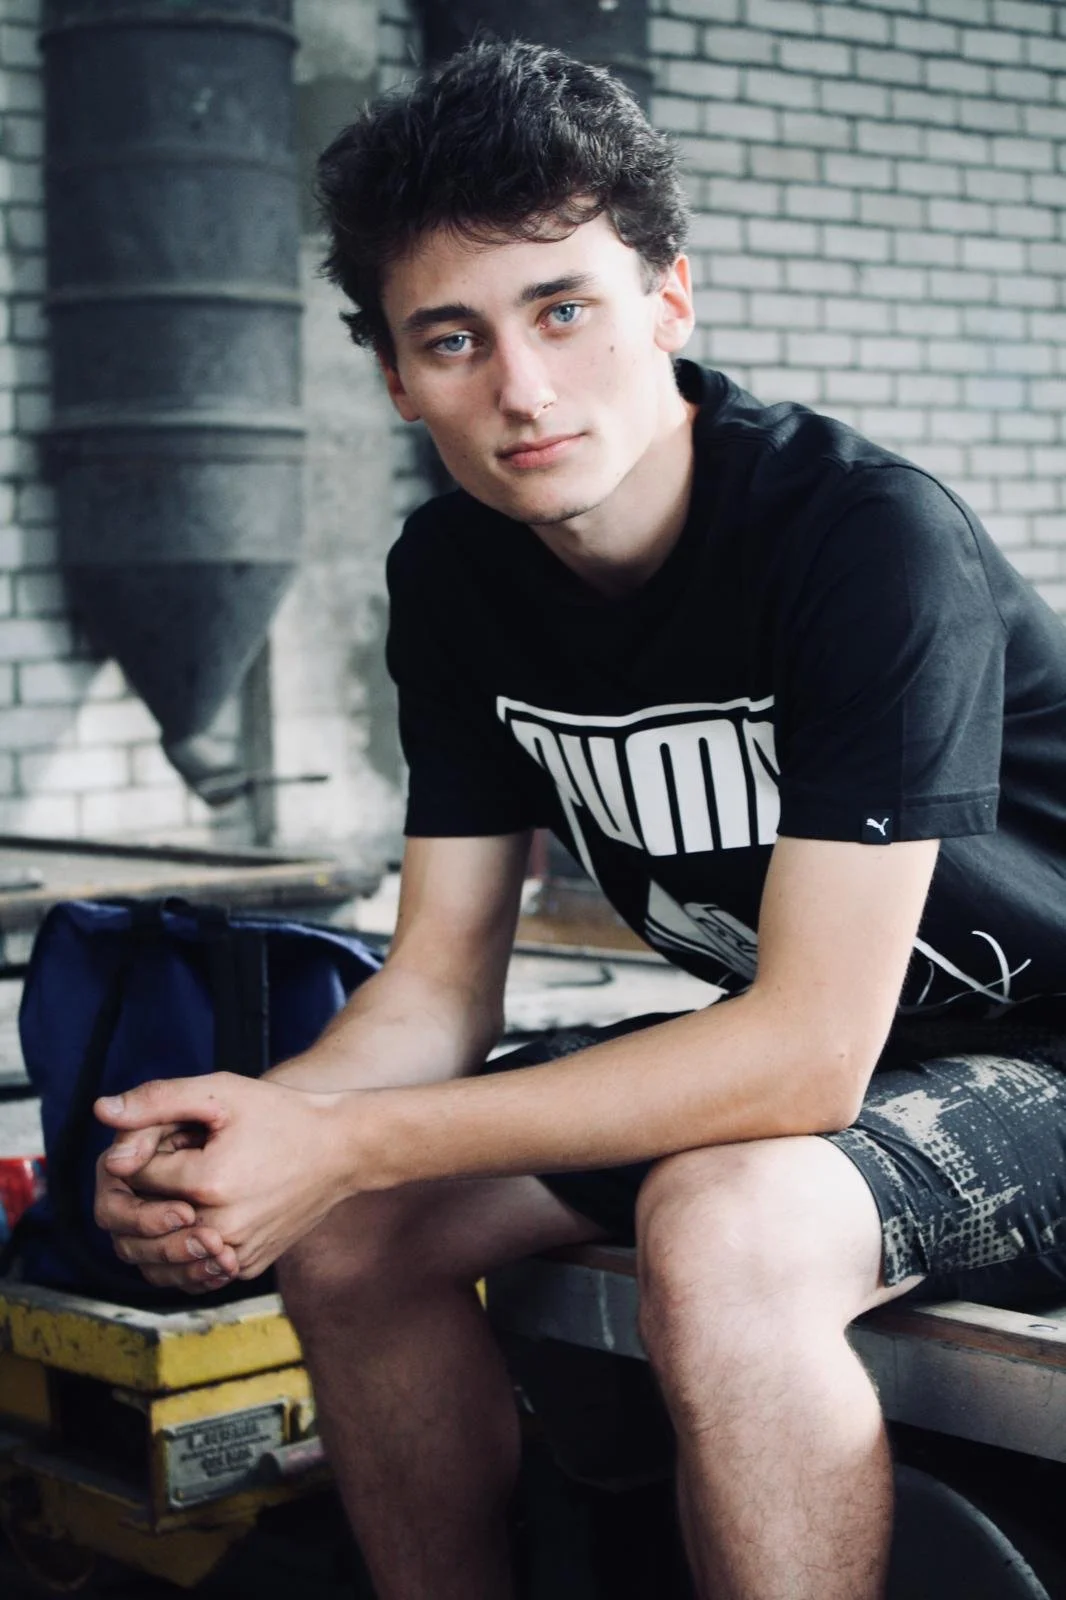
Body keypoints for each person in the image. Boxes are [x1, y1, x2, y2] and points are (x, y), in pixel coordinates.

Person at [93, 38, 1066, 1600]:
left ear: (666, 303)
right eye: (454, 338)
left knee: (723, 1228)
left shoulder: (860, 540)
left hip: (1043, 1055)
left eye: (564, 308)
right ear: (398, 377)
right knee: (354, 1232)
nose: (522, 387)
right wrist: (266, 1139)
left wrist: (345, 1140)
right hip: (846, 1050)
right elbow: (431, 989)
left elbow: (806, 1049)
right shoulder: (456, 582)